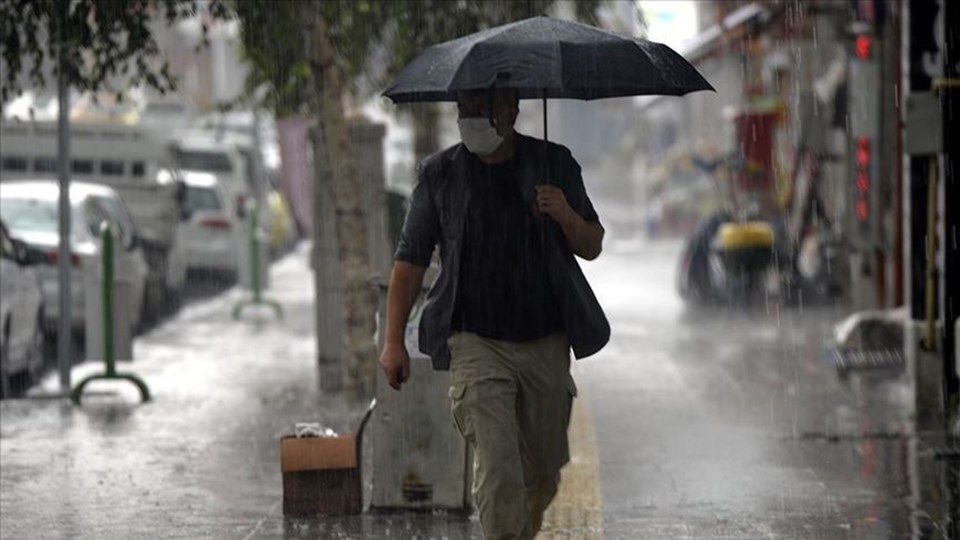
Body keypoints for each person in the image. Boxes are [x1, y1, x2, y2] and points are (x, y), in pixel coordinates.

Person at [378, 87, 609, 540]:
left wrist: (563, 213)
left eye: (481, 109)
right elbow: (409, 261)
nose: (471, 119)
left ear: (511, 111)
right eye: (463, 109)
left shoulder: (554, 164)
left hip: (544, 340)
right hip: (475, 341)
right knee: (499, 466)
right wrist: (391, 343)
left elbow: (592, 244)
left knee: (542, 471)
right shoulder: (440, 174)